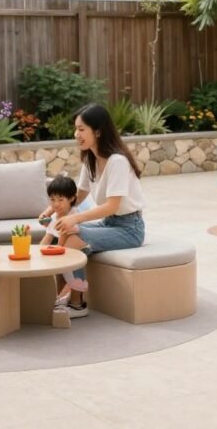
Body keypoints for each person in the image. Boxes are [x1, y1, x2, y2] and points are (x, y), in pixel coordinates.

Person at [42, 103, 146, 319]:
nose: (76, 134)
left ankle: (76, 303)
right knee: (61, 232)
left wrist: (75, 219)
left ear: (97, 131)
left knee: (73, 234)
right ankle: (60, 297)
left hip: (130, 228)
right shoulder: (90, 159)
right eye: (76, 129)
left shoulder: (117, 161)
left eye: (81, 129)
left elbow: (112, 206)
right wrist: (51, 211)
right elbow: (77, 196)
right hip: (109, 224)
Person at [38, 175, 90, 308]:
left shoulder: (73, 215)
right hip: (64, 249)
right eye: (52, 200)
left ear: (72, 198)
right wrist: (37, 252)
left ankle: (66, 296)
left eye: (61, 200)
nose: (55, 204)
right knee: (57, 266)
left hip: (80, 249)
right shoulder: (55, 215)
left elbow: (63, 240)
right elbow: (48, 236)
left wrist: (53, 253)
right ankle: (60, 296)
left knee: (67, 268)